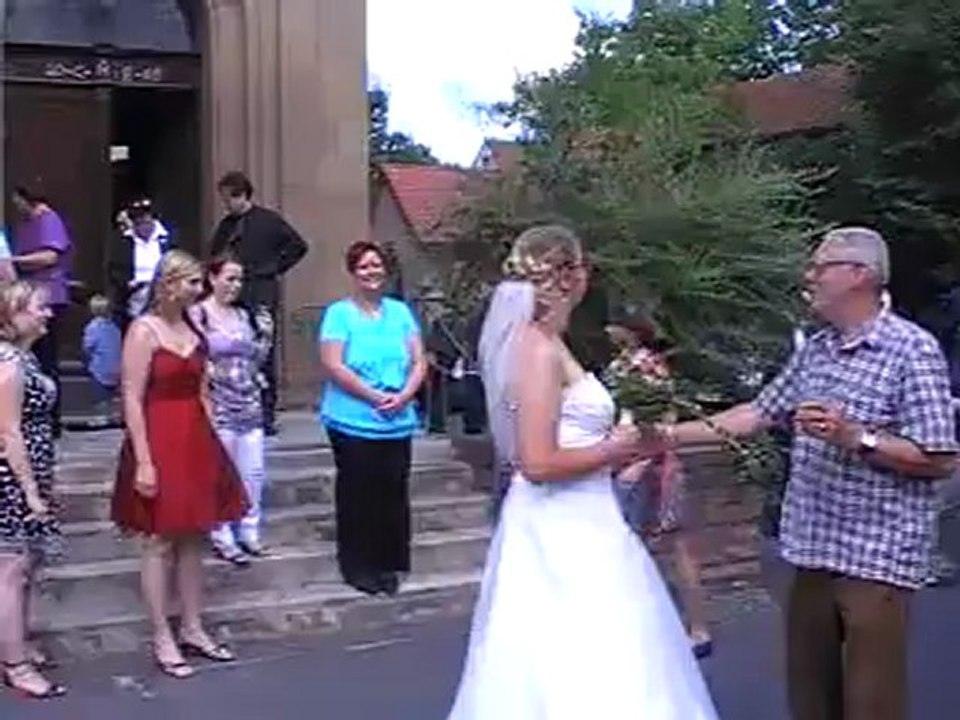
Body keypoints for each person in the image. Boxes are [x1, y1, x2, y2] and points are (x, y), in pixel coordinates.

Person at [672, 227, 958, 720]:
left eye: (820, 266)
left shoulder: (913, 350)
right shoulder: (816, 349)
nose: (809, 276)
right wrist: (663, 435)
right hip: (810, 551)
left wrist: (857, 438)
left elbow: (940, 457)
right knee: (810, 698)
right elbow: (757, 413)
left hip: (876, 559)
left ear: (860, 275)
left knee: (871, 705)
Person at [446, 225, 718, 719]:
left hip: (589, 515)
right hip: (559, 527)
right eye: (583, 266)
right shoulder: (537, 351)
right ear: (571, 277)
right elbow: (537, 462)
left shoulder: (552, 343)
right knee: (571, 658)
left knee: (612, 654)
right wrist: (616, 449)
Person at [110, 250, 249, 679]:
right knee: (158, 539)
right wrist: (144, 461)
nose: (198, 289)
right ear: (169, 283)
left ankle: (192, 626)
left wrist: (214, 442)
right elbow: (131, 396)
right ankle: (161, 634)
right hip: (158, 434)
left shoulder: (192, 326)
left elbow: (204, 390)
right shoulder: (143, 331)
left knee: (195, 536)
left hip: (194, 436)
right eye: (191, 282)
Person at [317, 239, 426, 597]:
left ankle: (388, 564)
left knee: (392, 493)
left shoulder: (400, 312)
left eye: (376, 265)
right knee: (358, 494)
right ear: (353, 272)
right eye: (364, 266)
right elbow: (333, 364)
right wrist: (375, 396)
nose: (371, 272)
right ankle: (359, 567)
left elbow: (419, 360)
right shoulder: (339, 314)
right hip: (353, 418)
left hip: (398, 417)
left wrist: (406, 394)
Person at [604, 311, 712, 658]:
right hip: (632, 461)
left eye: (614, 323)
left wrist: (642, 462)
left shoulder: (644, 368)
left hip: (651, 466)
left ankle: (694, 627)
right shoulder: (624, 365)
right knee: (661, 547)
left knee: (667, 545)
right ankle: (671, 627)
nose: (608, 329)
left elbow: (661, 421)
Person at [0, 281, 65, 699]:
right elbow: (9, 431)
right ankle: (14, 663)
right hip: (10, 478)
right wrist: (30, 492)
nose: (48, 314)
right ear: (13, 313)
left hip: (32, 471)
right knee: (11, 569)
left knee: (25, 567)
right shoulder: (9, 364)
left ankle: (19, 642)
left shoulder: (25, 359)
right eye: (39, 308)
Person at [210, 171, 308, 435]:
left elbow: (298, 246)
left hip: (261, 291)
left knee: (262, 352)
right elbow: (214, 254)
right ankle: (235, 405)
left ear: (240, 195)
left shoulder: (269, 221)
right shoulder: (226, 226)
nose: (225, 204)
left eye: (228, 198)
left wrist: (273, 268)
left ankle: (266, 413)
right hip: (234, 295)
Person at [191, 255, 272, 566]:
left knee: (252, 471)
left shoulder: (243, 315)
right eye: (229, 278)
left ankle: (249, 531)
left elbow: (256, 359)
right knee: (222, 471)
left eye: (239, 280)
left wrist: (265, 335)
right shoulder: (199, 314)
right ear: (212, 279)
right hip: (218, 399)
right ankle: (221, 533)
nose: (235, 286)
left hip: (248, 397)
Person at [10, 185, 73, 438]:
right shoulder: (28, 223)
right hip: (29, 295)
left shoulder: (48, 220)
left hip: (47, 296)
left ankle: (52, 419)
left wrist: (13, 261)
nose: (17, 207)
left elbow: (49, 256)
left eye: (19, 201)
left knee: (47, 359)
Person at [107, 198, 175, 330]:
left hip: (162, 295)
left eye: (146, 221)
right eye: (138, 222)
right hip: (133, 298)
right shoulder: (123, 241)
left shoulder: (168, 239)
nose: (142, 226)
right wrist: (128, 284)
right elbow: (114, 269)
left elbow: (179, 264)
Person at [81, 294, 122, 418]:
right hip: (116, 368)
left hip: (100, 369)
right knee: (112, 396)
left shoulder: (92, 327)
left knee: (100, 396)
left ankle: (101, 414)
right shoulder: (115, 327)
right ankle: (112, 414)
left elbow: (87, 347)